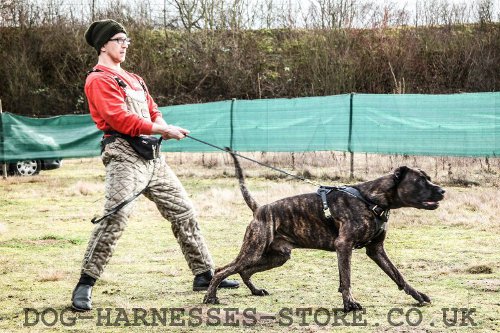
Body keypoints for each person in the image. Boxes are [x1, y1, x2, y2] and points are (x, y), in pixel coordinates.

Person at [71, 19, 239, 312]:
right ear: (102, 45)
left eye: (127, 40)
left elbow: (152, 110)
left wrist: (164, 125)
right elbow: (119, 118)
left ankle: (204, 275)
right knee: (116, 217)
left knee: (184, 211)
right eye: (119, 40)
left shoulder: (134, 78)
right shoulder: (98, 79)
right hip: (124, 156)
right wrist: (163, 130)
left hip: (153, 159)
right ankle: (85, 284)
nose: (125, 45)